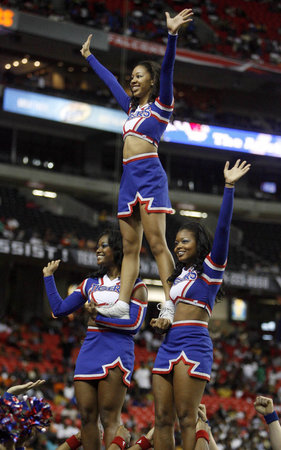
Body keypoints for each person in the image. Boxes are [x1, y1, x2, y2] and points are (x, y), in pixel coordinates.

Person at [80, 8, 194, 319]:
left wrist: (171, 36)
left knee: (157, 244)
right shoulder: (131, 111)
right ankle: (122, 301)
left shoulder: (161, 106)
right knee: (130, 248)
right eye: (132, 77)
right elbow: (112, 83)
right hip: (128, 178)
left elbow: (168, 70)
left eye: (139, 76)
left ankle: (169, 304)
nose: (132, 80)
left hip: (150, 176)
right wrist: (89, 58)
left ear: (152, 81)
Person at [150, 160, 251, 450]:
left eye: (185, 241)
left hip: (193, 344)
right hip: (169, 343)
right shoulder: (177, 277)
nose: (178, 245)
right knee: (161, 419)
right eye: (176, 241)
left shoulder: (211, 270)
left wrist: (229, 187)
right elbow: (159, 250)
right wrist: (162, 321)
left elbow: (222, 229)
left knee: (185, 417)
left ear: (199, 244)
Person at [43, 228, 148, 450]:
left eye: (103, 245)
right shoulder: (89, 283)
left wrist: (97, 316)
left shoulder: (136, 286)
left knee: (109, 417)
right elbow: (60, 309)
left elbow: (134, 325)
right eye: (98, 246)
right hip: (90, 349)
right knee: (87, 416)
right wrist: (48, 278)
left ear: (118, 249)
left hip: (117, 350)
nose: (98, 249)